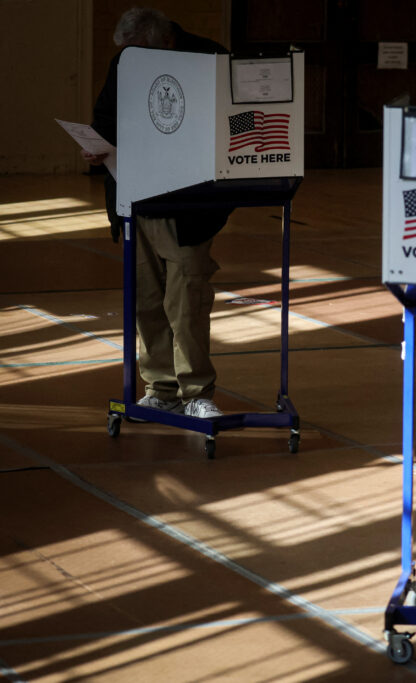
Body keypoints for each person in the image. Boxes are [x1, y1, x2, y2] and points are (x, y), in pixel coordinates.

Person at [83, 8, 231, 419]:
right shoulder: (126, 61)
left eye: (137, 50)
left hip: (188, 205)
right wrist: (97, 147)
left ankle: (196, 392)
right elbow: (107, 118)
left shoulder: (209, 58)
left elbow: (233, 125)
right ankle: (161, 388)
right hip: (136, 199)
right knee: (146, 302)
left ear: (164, 40)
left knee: (187, 302)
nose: (130, 59)